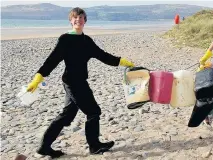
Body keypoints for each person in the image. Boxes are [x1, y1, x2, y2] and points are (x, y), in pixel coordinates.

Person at [26, 7, 135, 158]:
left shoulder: (86, 41)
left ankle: (44, 147)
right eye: (75, 18)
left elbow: (103, 56)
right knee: (93, 111)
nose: (78, 20)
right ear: (70, 21)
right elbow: (52, 60)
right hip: (72, 82)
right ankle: (94, 146)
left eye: (81, 17)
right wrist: (38, 78)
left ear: (85, 21)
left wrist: (124, 62)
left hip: (79, 81)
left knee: (67, 116)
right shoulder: (65, 39)